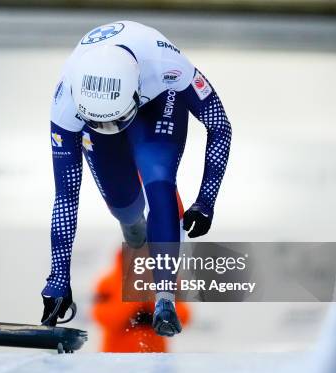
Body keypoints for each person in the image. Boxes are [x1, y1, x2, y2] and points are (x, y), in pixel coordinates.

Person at [41, 21, 232, 337]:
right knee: (125, 207)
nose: (110, 128)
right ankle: (133, 226)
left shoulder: (167, 65)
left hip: (158, 103)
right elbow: (66, 196)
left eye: (116, 121)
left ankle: (164, 299)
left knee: (160, 182)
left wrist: (206, 200)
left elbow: (219, 125)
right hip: (109, 110)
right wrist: (58, 279)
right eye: (99, 123)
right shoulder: (65, 105)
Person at [92, 249, 191, 352]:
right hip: (117, 360)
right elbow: (104, 318)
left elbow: (183, 318)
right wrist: (134, 296)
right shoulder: (108, 282)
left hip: (156, 360)